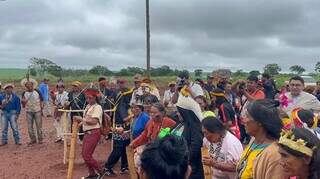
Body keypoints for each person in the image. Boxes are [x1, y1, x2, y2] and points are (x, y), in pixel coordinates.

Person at [236, 99, 284, 179]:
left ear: (259, 122)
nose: (243, 120)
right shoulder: (253, 141)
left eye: (247, 116)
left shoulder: (275, 154)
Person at [103, 79, 133, 176]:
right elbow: (125, 118)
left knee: (125, 148)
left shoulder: (124, 104)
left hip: (126, 129)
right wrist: (133, 115)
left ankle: (124, 167)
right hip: (119, 128)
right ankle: (108, 167)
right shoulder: (122, 105)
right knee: (118, 149)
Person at [73, 88, 103, 179]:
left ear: (95, 98)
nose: (88, 100)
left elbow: (94, 121)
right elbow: (87, 120)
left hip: (93, 132)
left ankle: (101, 171)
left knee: (87, 155)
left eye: (90, 98)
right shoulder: (88, 106)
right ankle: (92, 174)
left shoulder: (98, 107)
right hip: (88, 132)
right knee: (85, 155)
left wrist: (81, 119)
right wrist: (79, 124)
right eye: (87, 98)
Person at [233, 75, 265, 144]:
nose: (248, 84)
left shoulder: (260, 93)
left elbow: (255, 102)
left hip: (252, 122)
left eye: (251, 83)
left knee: (251, 141)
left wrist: (244, 92)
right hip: (241, 120)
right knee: (239, 140)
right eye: (247, 82)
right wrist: (237, 82)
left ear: (256, 84)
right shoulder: (244, 91)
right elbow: (231, 90)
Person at [21, 78, 44, 145]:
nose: (29, 86)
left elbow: (42, 100)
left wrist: (42, 107)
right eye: (27, 85)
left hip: (37, 110)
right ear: (25, 86)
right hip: (29, 111)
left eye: (30, 84)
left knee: (39, 126)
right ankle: (33, 139)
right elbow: (23, 105)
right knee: (29, 127)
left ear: (33, 84)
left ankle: (40, 139)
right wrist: (23, 102)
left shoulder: (37, 91)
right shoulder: (24, 93)